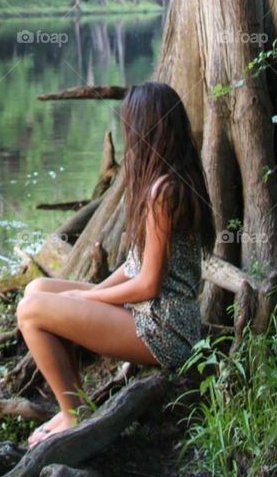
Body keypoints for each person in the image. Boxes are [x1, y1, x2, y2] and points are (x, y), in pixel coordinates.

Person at [16, 80, 215, 446]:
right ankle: (71, 404)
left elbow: (147, 284)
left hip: (163, 330)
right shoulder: (166, 181)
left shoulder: (164, 192)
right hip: (153, 315)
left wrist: (86, 301)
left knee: (30, 310)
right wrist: (87, 292)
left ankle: (73, 416)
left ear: (145, 127)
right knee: (37, 288)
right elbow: (134, 265)